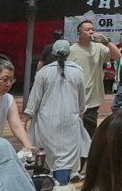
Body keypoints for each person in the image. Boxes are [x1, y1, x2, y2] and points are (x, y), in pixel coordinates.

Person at [26, 39, 96, 176]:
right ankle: (62, 189)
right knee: (65, 161)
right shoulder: (78, 72)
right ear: (69, 53)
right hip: (70, 122)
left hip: (46, 124)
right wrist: (79, 114)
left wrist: (25, 120)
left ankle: (42, 190)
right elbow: (82, 102)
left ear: (52, 53)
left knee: (43, 158)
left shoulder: (43, 73)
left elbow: (33, 103)